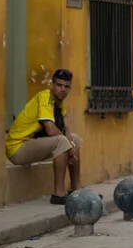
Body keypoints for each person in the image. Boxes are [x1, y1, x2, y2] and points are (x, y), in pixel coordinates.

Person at [5, 68, 82, 204]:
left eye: (66, 86)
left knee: (74, 139)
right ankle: (59, 194)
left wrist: (72, 145)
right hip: (17, 149)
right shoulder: (45, 98)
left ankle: (77, 190)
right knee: (61, 141)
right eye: (59, 85)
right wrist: (67, 144)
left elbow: (66, 129)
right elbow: (51, 130)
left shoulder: (59, 103)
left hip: (32, 144)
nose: (62, 89)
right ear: (52, 85)